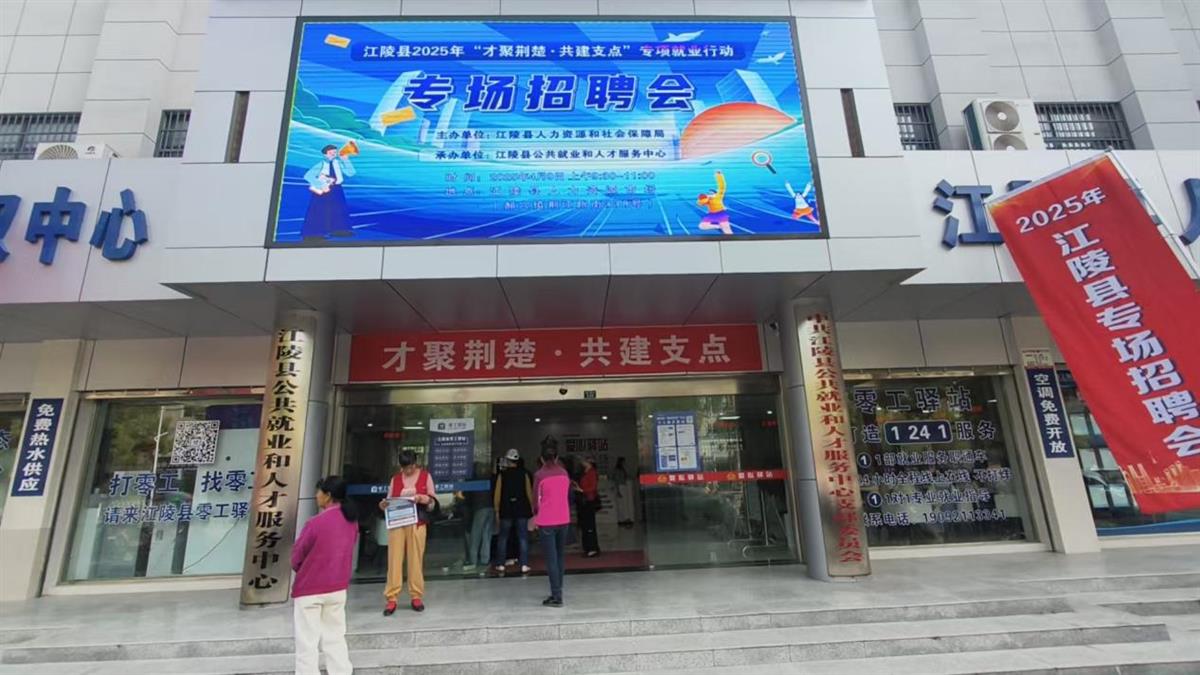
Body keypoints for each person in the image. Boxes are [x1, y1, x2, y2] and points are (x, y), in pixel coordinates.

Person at [292, 476, 358, 675]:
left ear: (328, 495)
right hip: (337, 588)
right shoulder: (351, 522)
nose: (316, 496)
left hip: (309, 589)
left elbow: (296, 557)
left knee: (307, 642)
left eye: (318, 492)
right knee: (335, 637)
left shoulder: (315, 523)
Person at [378, 450, 437, 615]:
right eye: (405, 468)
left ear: (415, 463)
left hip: (417, 523)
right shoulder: (395, 479)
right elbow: (389, 500)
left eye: (410, 467)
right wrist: (383, 505)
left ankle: (416, 595)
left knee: (415, 559)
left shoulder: (426, 477)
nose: (408, 471)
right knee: (394, 560)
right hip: (398, 523)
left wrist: (423, 498)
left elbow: (433, 503)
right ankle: (392, 597)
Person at [532, 444, 571, 607]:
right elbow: (567, 495)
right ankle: (558, 590)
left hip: (547, 521)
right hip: (564, 519)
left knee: (551, 559)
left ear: (542, 459)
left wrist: (536, 515)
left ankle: (556, 596)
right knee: (560, 556)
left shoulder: (539, 475)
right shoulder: (564, 473)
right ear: (556, 458)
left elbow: (536, 501)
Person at [492, 448, 533, 576]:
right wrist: (532, 508)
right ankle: (524, 564)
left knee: (503, 537)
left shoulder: (502, 475)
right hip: (522, 509)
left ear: (507, 460)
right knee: (523, 537)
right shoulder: (524, 474)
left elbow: (497, 493)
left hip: (506, 509)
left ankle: (501, 564)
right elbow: (529, 492)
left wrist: (496, 509)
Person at [301, 144, 356, 241]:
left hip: (337, 189)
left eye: (335, 152)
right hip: (323, 190)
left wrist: (346, 160)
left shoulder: (338, 163)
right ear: (325, 154)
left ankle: (339, 230)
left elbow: (351, 173)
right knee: (319, 211)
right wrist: (320, 184)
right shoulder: (321, 164)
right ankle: (315, 234)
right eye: (331, 153)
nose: (334, 154)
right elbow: (308, 176)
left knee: (339, 210)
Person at [462, 461, 494, 573]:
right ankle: (485, 559)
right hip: (490, 507)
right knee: (486, 535)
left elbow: (467, 496)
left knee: (475, 536)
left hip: (479, 508)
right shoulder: (490, 478)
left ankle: (473, 560)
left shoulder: (471, 480)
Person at [576, 457, 601, 557]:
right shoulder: (585, 472)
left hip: (589, 500)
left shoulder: (592, 472)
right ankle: (588, 547)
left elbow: (593, 487)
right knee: (585, 525)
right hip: (584, 500)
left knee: (589, 524)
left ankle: (592, 548)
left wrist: (582, 490)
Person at [696, 170, 734, 235]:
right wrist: (702, 199)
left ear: (715, 193)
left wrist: (719, 175)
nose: (710, 194)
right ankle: (718, 227)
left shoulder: (719, 196)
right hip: (712, 214)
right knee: (702, 226)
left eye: (712, 193)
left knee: (727, 231)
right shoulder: (708, 199)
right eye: (709, 193)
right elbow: (700, 203)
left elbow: (722, 186)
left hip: (721, 214)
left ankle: (732, 239)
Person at [611, 457, 634, 528]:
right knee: (621, 504)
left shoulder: (622, 469)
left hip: (623, 486)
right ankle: (622, 519)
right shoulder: (617, 470)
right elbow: (616, 480)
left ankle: (624, 519)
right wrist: (618, 490)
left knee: (624, 504)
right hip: (620, 486)